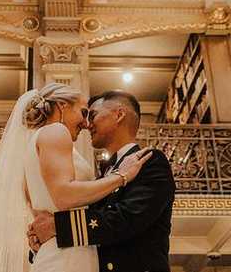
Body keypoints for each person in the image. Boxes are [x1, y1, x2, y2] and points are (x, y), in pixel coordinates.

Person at [0, 84, 154, 272]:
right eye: (83, 112)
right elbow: (65, 197)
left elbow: (40, 215)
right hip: (69, 255)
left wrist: (44, 233)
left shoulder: (33, 146)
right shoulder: (56, 131)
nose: (86, 123)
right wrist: (121, 176)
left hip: (57, 250)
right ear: (62, 105)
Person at [29, 90, 176, 272]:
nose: (87, 124)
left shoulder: (149, 161)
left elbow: (127, 218)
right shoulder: (104, 175)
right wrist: (44, 242)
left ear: (119, 114)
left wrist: (58, 227)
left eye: (93, 115)